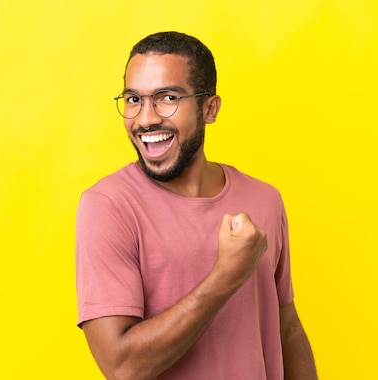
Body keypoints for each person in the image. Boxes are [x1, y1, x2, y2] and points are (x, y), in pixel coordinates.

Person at [75, 31, 317, 380]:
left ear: (209, 108)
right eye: (133, 100)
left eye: (167, 97)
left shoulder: (265, 200)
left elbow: (287, 329)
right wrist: (226, 276)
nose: (144, 120)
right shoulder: (108, 206)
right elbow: (122, 366)